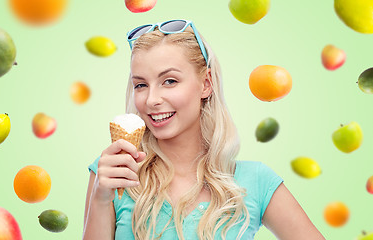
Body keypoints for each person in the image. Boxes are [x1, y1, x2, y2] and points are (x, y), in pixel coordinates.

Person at [82, 19, 325, 240]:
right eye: (141, 84)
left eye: (170, 81)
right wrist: (102, 198)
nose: (151, 99)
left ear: (206, 84)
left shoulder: (256, 181)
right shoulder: (114, 173)